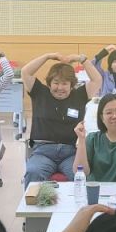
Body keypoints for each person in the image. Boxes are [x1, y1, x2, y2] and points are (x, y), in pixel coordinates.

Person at [22, 52, 102, 185]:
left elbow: (97, 80)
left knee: (82, 177)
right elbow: (25, 72)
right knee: (33, 171)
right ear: (49, 83)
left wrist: (81, 59)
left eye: (64, 83)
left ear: (71, 84)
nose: (60, 88)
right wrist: (47, 56)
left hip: (71, 152)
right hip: (43, 151)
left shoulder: (80, 95)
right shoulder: (39, 92)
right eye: (56, 83)